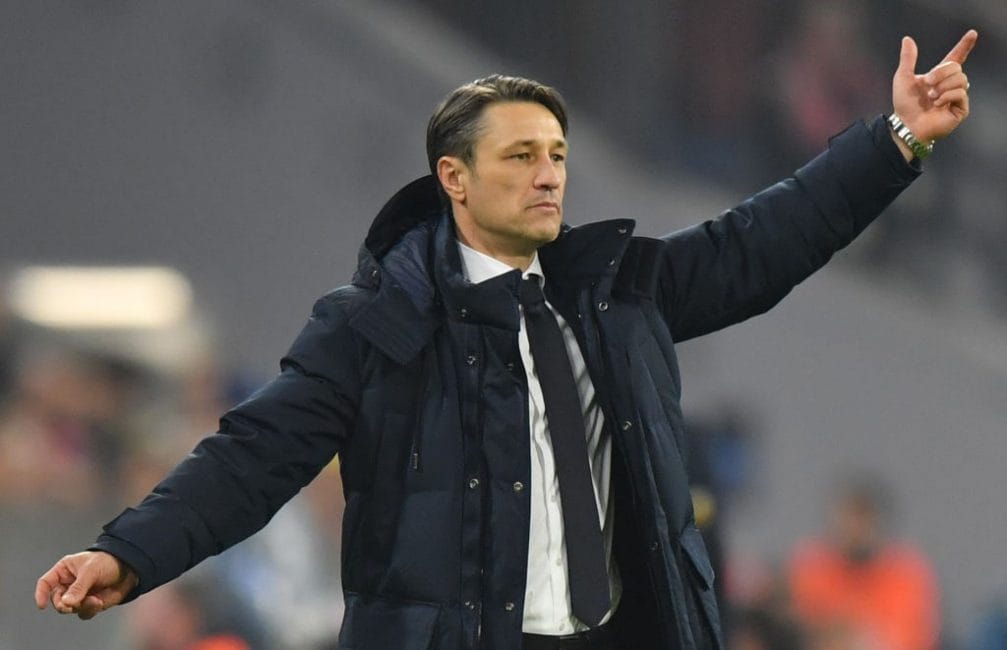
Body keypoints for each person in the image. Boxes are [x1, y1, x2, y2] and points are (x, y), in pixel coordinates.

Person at [35, 30, 977, 650]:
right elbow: (253, 454)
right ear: (453, 176)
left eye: (559, 156)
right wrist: (131, 553)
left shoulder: (620, 293)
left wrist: (895, 138)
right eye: (520, 156)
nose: (548, 177)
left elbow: (758, 244)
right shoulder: (370, 325)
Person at [789, 475, 940, 650]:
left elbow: (914, 640)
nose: (854, 529)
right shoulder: (812, 567)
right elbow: (799, 628)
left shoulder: (907, 573)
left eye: (862, 519)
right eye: (848, 519)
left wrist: (860, 638)